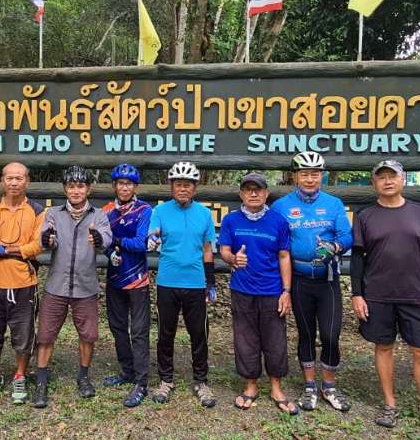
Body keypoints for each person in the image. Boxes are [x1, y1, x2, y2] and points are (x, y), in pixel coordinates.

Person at [351, 159, 420, 440]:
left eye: (393, 176)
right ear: (374, 183)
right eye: (381, 177)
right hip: (377, 294)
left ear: (403, 180)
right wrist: (357, 294)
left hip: (416, 294)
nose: (387, 181)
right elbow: (358, 258)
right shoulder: (365, 216)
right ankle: (389, 404)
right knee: (384, 346)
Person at [272, 150, 353, 412]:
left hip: (327, 279)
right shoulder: (281, 206)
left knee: (330, 334)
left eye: (315, 174)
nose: (310, 179)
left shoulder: (334, 204)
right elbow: (274, 239)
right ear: (295, 176)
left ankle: (329, 386)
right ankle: (309, 386)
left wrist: (335, 246)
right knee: (305, 333)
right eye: (304, 174)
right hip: (299, 279)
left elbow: (347, 235)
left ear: (321, 176)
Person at [31, 166, 113, 409]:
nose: (76, 191)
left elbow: (106, 238)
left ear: (88, 189)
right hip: (56, 285)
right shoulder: (54, 214)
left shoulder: (99, 215)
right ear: (65, 189)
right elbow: (45, 237)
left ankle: (83, 377)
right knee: (45, 335)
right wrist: (47, 239)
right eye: (71, 186)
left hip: (85, 286)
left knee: (88, 335)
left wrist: (99, 239)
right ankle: (41, 381)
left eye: (80, 186)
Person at [219, 173, 295, 414]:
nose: (253, 194)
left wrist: (287, 291)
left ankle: (276, 387)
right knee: (245, 339)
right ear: (241, 194)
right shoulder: (231, 220)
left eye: (258, 189)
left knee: (275, 339)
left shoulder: (278, 221)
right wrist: (233, 259)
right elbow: (224, 250)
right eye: (248, 189)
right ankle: (250, 385)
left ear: (266, 193)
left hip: (272, 290)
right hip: (242, 289)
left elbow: (284, 256)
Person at [147, 160, 218, 408]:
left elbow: (208, 250)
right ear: (171, 187)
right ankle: (165, 380)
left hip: (196, 283)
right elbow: (153, 233)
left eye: (187, 185)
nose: (183, 189)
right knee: (165, 334)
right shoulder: (160, 211)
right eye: (178, 184)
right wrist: (152, 239)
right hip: (167, 282)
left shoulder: (204, 214)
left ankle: (201, 381)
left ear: (195, 188)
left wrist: (211, 282)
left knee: (199, 334)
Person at [0, 161, 45, 405]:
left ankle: (20, 375)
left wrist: (6, 250)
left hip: (23, 281)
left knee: (23, 332)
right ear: (2, 181)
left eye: (19, 178)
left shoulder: (37, 211)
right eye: (9, 178)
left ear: (27, 181)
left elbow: (37, 245)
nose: (14, 182)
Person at [101, 163, 153, 408]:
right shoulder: (107, 211)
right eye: (121, 183)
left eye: (129, 184)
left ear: (135, 187)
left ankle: (141, 382)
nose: (124, 187)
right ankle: (127, 371)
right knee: (117, 327)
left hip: (138, 279)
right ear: (114, 186)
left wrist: (116, 241)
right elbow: (103, 242)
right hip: (114, 277)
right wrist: (110, 251)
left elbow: (141, 244)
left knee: (139, 331)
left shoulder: (144, 210)